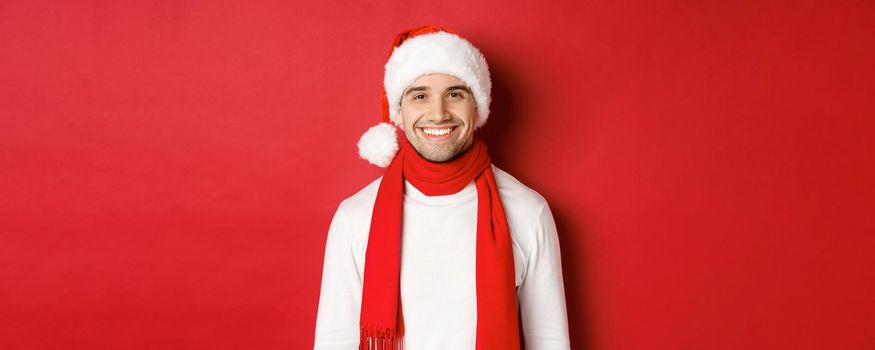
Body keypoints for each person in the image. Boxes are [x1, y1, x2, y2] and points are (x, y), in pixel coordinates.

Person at [313, 25, 571, 350]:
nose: (438, 114)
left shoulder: (528, 211)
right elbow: (334, 341)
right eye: (420, 96)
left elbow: (550, 341)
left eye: (455, 94)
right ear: (399, 112)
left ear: (477, 106)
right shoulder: (355, 217)